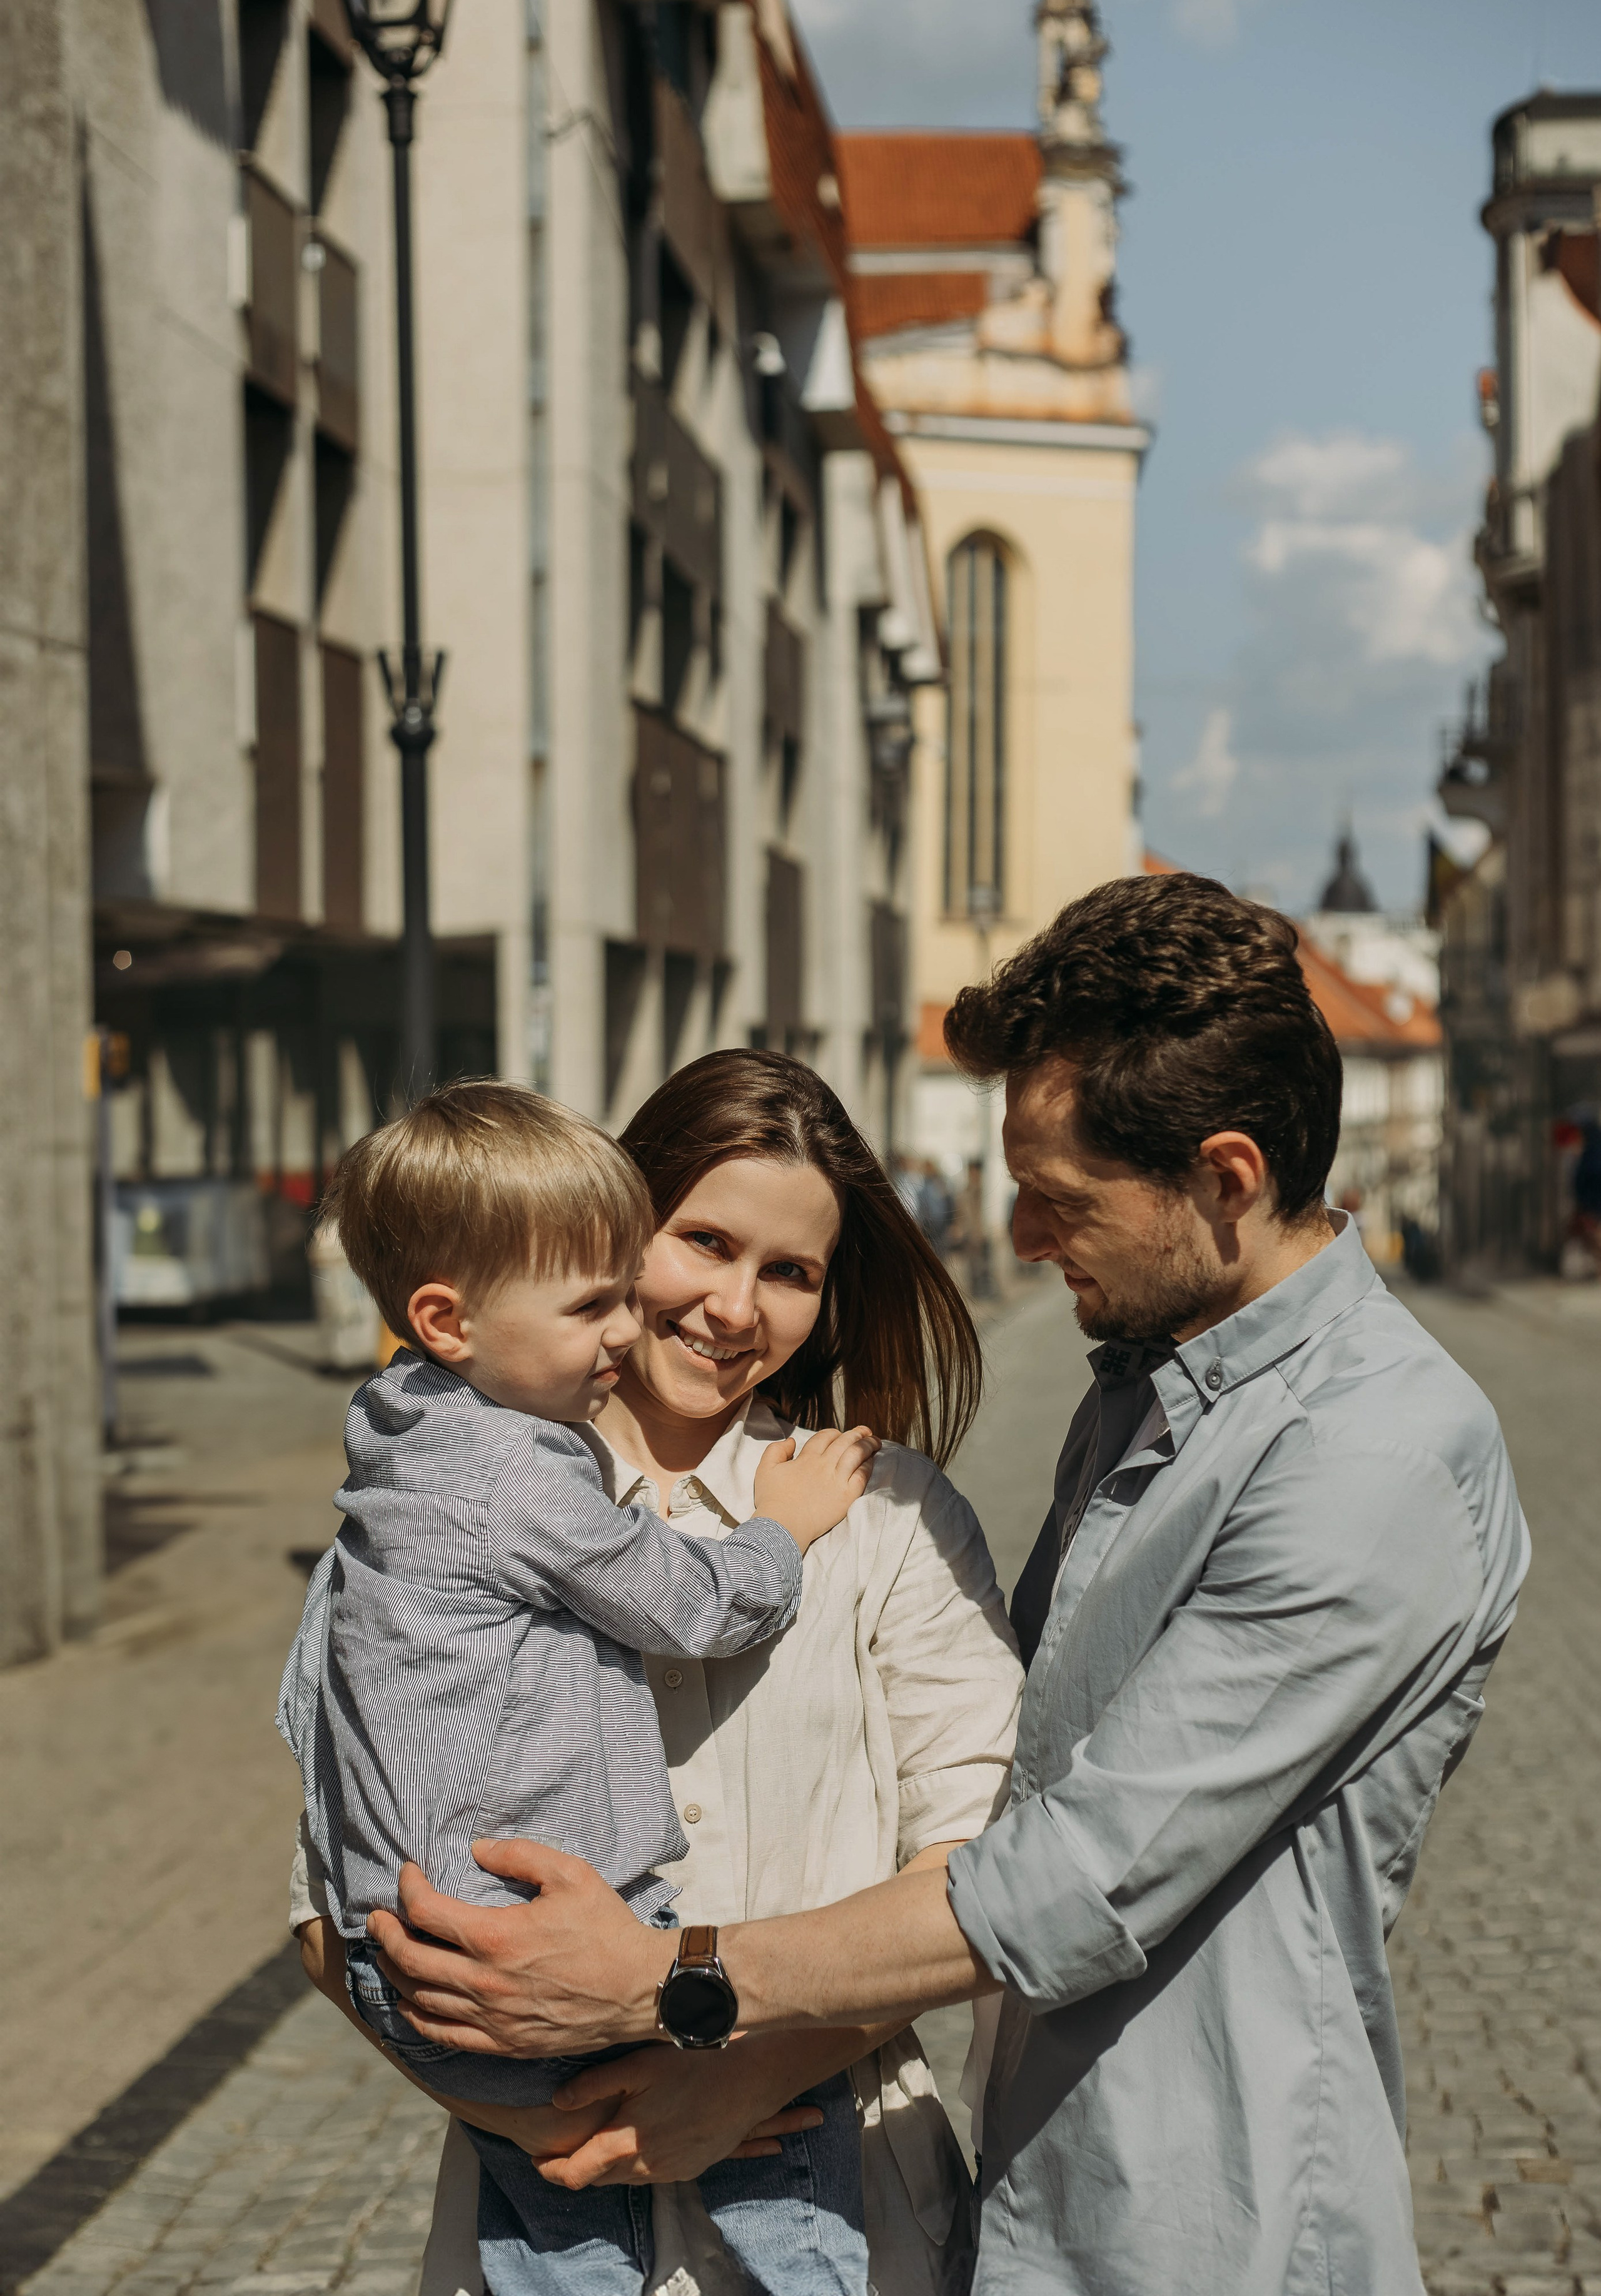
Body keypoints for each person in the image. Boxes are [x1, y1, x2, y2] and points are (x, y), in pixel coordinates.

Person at [363, 876, 1531, 2296]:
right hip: (1031, 2204)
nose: (1025, 1244)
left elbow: (1059, 1872)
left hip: (1208, 2223)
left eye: (1056, 1199)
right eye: (701, 1242)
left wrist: (666, 1991)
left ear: (1223, 1178)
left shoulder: (1372, 1452)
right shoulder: (1141, 1401)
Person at [293, 1051, 1024, 2296]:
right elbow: (327, 1896)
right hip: (540, 2213)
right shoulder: (430, 1511)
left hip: (844, 2199)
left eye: (787, 1271)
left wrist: (732, 2069)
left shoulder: (886, 1517)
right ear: (616, 1230)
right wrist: (516, 2113)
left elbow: (986, 1886)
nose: (736, 1305)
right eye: (704, 1240)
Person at [278, 1082, 874, 2138]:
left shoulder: (396, 1442)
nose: (626, 1326)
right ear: (446, 1319)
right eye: (592, 1303)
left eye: (788, 1271)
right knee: (782, 2179)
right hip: (504, 1950)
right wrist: (781, 1527)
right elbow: (692, 1602)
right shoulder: (519, 1479)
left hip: (411, 1947)